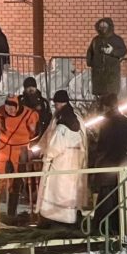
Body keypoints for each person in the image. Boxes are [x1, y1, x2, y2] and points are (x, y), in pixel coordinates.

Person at [36, 90, 89, 225]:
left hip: (62, 162)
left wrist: (46, 156)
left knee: (57, 191)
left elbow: (55, 146)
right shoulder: (78, 118)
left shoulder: (61, 126)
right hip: (76, 160)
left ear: (58, 104)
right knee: (71, 191)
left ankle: (57, 218)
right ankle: (72, 217)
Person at [89, 93, 127, 234]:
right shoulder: (126, 121)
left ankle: (104, 226)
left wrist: (96, 154)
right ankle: (118, 225)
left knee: (106, 195)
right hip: (121, 162)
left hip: (107, 163)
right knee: (118, 194)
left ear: (106, 106)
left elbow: (103, 145)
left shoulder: (108, 123)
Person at [0, 94, 40, 218]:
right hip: (3, 148)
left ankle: (11, 213)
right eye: (7, 107)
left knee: (16, 181)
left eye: (12, 107)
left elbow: (34, 131)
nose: (10, 110)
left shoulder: (30, 114)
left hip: (20, 150)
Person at [87, 17, 127, 99]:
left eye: (105, 26)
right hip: (98, 74)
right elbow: (90, 51)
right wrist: (91, 62)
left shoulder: (117, 39)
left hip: (111, 73)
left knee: (111, 96)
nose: (103, 28)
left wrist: (112, 51)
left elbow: (123, 51)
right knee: (99, 97)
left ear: (109, 26)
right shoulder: (96, 40)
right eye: (101, 26)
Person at [20, 76, 52, 140]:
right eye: (28, 87)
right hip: (23, 134)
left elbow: (48, 118)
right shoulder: (20, 101)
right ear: (25, 89)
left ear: (36, 87)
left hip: (40, 134)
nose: (31, 88)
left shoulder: (43, 102)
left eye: (33, 86)